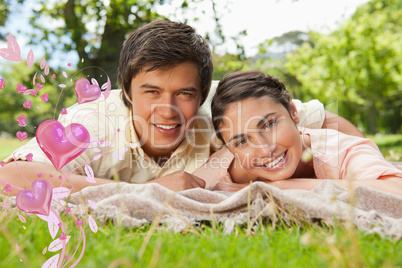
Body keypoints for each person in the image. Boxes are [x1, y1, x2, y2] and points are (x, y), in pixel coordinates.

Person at [0, 20, 364, 195]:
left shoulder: (227, 105)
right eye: (151, 91)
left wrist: (362, 169)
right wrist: (147, 191)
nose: (167, 110)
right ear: (127, 92)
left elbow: (327, 120)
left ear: (204, 91)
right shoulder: (94, 122)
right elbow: (11, 176)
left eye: (184, 94)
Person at [194, 70, 402, 195]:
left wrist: (280, 188)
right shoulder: (229, 168)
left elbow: (396, 189)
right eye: (241, 142)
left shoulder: (342, 150)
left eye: (268, 125)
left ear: (294, 112)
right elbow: (172, 196)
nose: (266, 148)